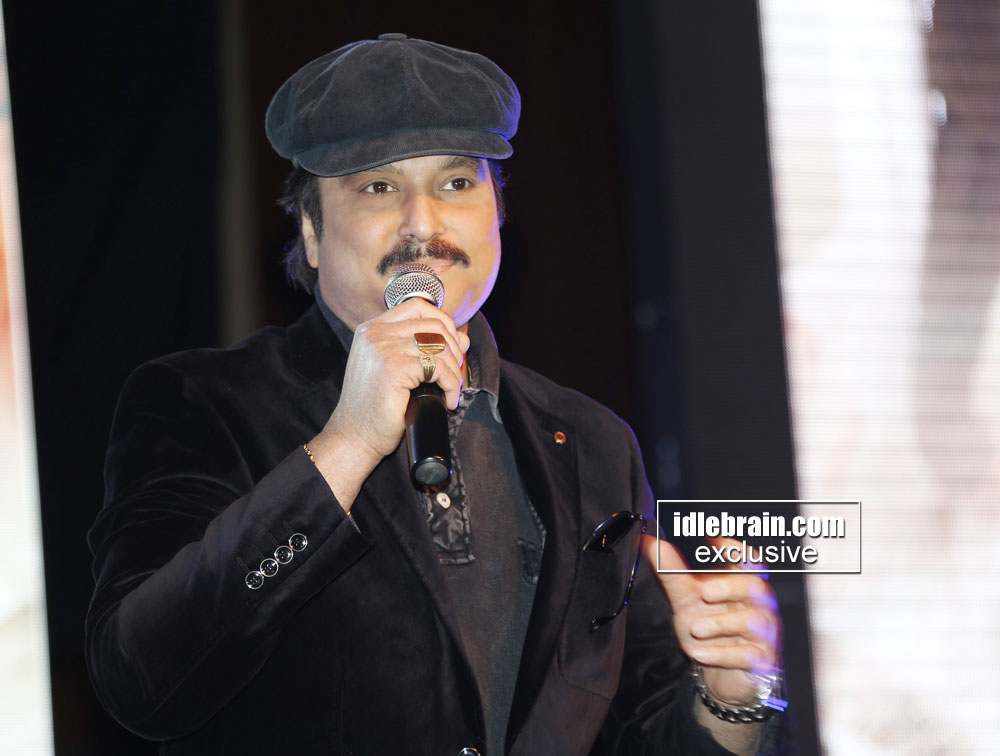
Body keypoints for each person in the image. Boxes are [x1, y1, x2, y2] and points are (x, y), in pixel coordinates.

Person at [86, 34, 784, 755]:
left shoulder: (591, 441)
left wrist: (730, 702)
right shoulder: (205, 402)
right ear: (311, 231)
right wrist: (347, 444)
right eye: (377, 187)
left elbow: (639, 729)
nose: (424, 225)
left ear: (497, 215)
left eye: (456, 183)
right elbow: (141, 679)